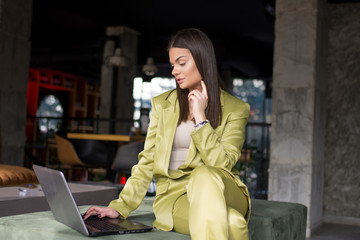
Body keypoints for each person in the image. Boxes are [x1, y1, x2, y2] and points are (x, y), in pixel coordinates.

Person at [84, 28, 251, 239]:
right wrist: (120, 206)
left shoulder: (236, 109)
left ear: (202, 60)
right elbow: (147, 161)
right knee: (233, 223)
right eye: (173, 65)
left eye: (181, 63)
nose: (174, 71)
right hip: (176, 197)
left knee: (204, 175)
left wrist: (201, 119)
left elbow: (222, 165)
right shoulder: (162, 105)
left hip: (226, 191)